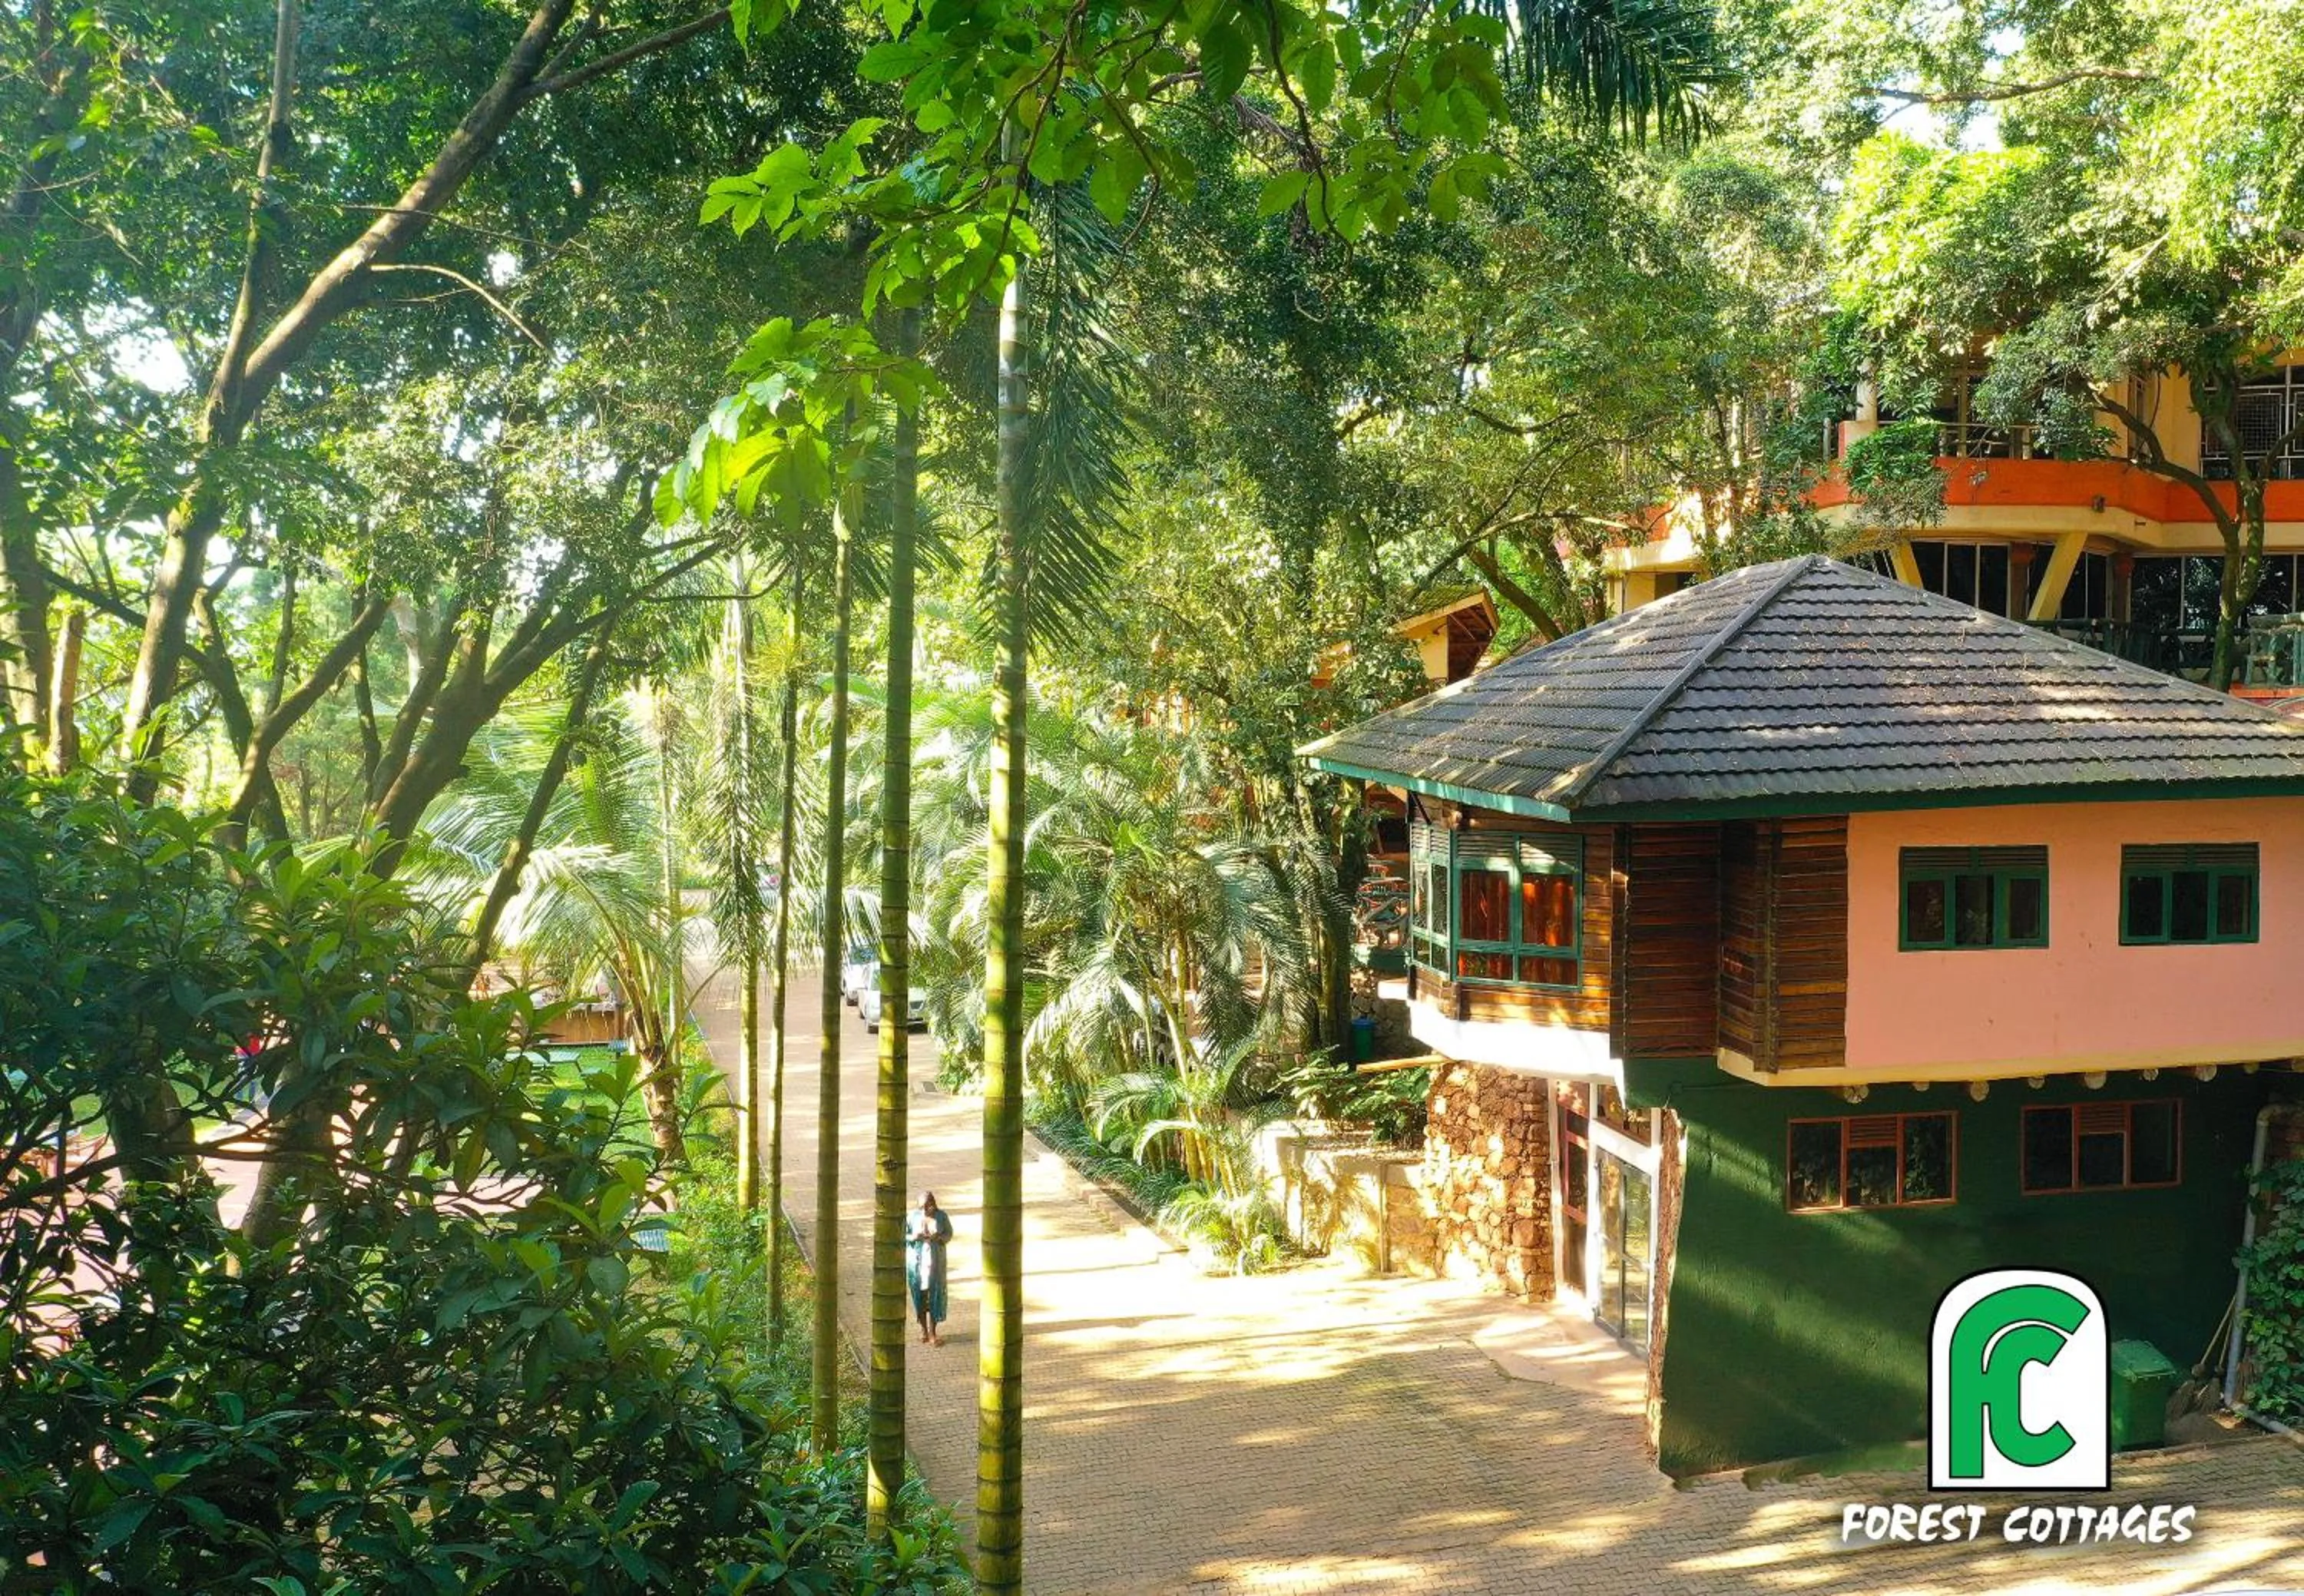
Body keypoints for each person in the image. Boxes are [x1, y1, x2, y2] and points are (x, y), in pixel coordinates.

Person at [907, 1191, 955, 1346]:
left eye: (929, 1206)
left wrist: (939, 1238)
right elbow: (903, 1235)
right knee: (920, 1295)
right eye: (923, 1207)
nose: (926, 1210)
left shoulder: (942, 1216)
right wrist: (914, 1237)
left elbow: (949, 1233)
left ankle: (933, 1332)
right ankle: (923, 1331)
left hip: (936, 1261)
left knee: (935, 1295)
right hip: (917, 1262)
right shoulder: (912, 1217)